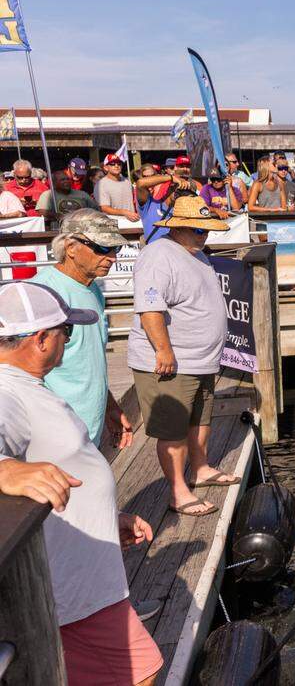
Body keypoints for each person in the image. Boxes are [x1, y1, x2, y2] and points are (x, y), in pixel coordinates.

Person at [0, 281, 163, 686]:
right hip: (72, 593)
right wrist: (4, 470)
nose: (68, 341)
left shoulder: (27, 386)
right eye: (66, 333)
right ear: (41, 340)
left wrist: (109, 516)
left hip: (83, 584)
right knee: (142, 671)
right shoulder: (7, 392)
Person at [128, 195, 238, 517]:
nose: (204, 235)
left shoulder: (197, 253)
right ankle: (178, 492)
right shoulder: (159, 255)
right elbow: (150, 307)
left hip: (201, 360)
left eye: (206, 230)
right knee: (172, 430)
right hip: (172, 362)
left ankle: (200, 468)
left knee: (200, 420)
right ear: (177, 227)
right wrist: (164, 349)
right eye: (197, 229)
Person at [32, 210, 133, 449]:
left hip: (88, 431)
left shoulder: (92, 288)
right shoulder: (42, 292)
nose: (112, 258)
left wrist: (109, 406)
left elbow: (90, 358)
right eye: (102, 248)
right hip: (54, 436)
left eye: (115, 249)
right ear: (71, 247)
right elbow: (21, 370)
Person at [95, 154, 140, 224]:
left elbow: (134, 202)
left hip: (133, 221)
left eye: (119, 164)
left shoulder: (127, 181)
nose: (116, 166)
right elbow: (104, 208)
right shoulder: (101, 184)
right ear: (106, 167)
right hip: (113, 223)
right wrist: (125, 212)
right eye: (112, 164)